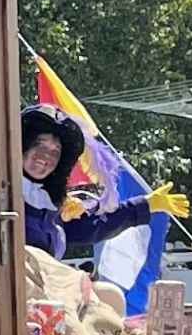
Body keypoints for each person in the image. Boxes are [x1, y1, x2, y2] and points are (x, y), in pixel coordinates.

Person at [18, 108, 139, 264]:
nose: (46, 156)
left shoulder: (50, 204)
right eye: (40, 146)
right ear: (23, 145)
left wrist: (145, 205)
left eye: (55, 152)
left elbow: (96, 224)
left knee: (108, 289)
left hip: (45, 282)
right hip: (13, 281)